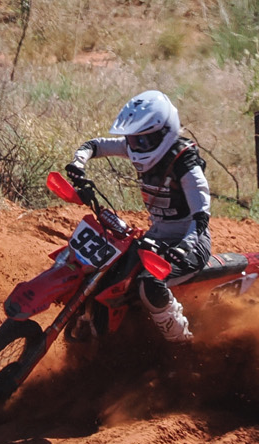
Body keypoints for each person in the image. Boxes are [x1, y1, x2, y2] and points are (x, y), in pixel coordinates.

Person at [60, 89, 211, 344]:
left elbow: (201, 217)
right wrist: (78, 163)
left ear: (165, 132)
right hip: (156, 236)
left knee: (149, 283)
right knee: (107, 269)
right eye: (132, 139)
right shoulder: (135, 147)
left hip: (189, 242)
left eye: (143, 141)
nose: (135, 147)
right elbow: (95, 145)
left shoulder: (186, 163)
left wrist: (184, 247)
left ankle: (182, 343)